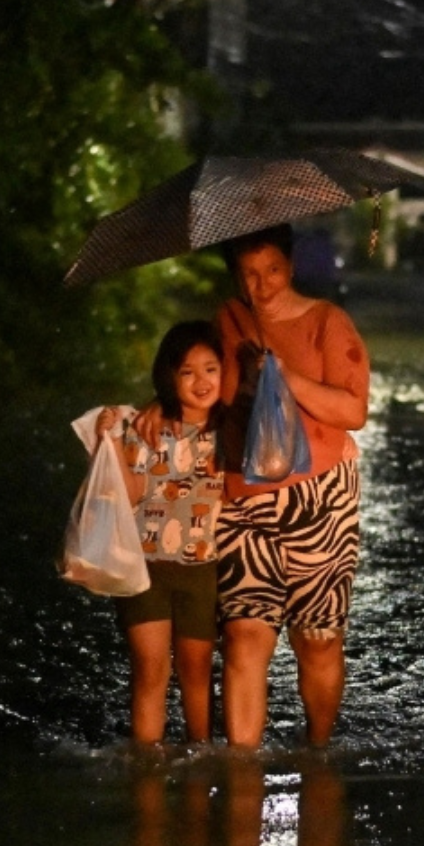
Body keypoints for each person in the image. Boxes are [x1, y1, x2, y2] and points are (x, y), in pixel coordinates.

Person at [136, 223, 369, 749]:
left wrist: (287, 377)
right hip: (242, 498)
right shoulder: (229, 320)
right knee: (243, 636)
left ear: (289, 265)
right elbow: (203, 381)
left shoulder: (328, 321)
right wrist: (162, 403)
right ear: (234, 277)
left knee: (318, 641)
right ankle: (243, 775)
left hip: (322, 501)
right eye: (248, 275)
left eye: (271, 271)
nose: (261, 286)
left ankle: (318, 752)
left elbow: (353, 411)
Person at [96, 320, 225, 744]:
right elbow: (130, 494)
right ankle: (147, 772)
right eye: (187, 371)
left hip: (201, 569)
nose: (201, 381)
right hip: (143, 568)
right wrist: (112, 442)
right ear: (169, 377)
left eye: (211, 368)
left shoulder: (230, 431)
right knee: (150, 670)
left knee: (197, 671)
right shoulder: (146, 428)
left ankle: (200, 757)